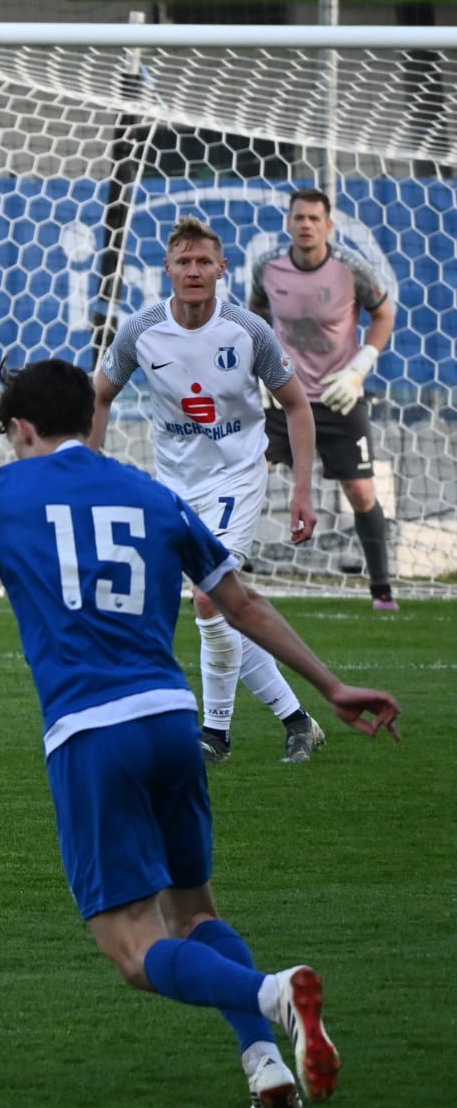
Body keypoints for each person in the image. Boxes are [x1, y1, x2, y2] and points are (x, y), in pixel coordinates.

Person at [0, 359, 401, 1108]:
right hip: (172, 723)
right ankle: (265, 1065)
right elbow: (240, 603)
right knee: (197, 915)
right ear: (90, 418)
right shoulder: (155, 494)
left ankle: (273, 994)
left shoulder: (1, 492)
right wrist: (331, 686)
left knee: (137, 953)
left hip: (92, 734)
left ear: (21, 428)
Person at [89, 215, 325, 766]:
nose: (193, 271)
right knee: (223, 608)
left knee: (208, 597)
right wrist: (89, 472)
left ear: (222, 269)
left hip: (237, 477)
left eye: (203, 262)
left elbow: (296, 405)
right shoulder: (141, 330)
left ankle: (215, 735)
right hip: (174, 486)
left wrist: (303, 490)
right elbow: (99, 395)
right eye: (184, 262)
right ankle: (297, 721)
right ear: (167, 269)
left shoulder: (247, 330)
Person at [248, 188, 401, 610]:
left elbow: (384, 314)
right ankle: (218, 578)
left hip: (339, 398)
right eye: (299, 217)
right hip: (284, 398)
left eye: (314, 218)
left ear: (329, 225)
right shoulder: (267, 267)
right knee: (247, 477)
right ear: (288, 223)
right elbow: (255, 316)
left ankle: (382, 590)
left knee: (360, 490)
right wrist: (261, 367)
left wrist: (359, 368)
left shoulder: (351, 268)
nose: (306, 225)